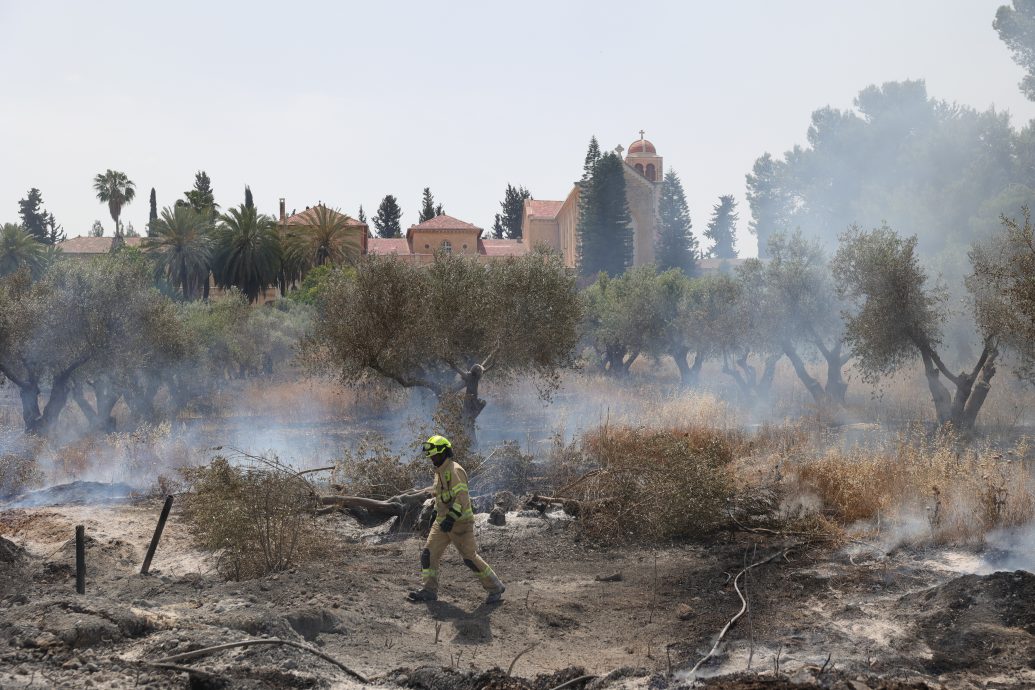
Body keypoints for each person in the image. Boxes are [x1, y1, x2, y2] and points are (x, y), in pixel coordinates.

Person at [407, 434, 505, 604]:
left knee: (469, 558)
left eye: (435, 455)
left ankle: (495, 587)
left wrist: (451, 518)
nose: (432, 458)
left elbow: (462, 499)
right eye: (431, 456)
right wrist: (435, 514)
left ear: (444, 453)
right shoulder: (439, 471)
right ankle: (429, 590)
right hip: (443, 522)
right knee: (428, 554)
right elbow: (441, 497)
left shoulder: (455, 471)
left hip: (460, 523)